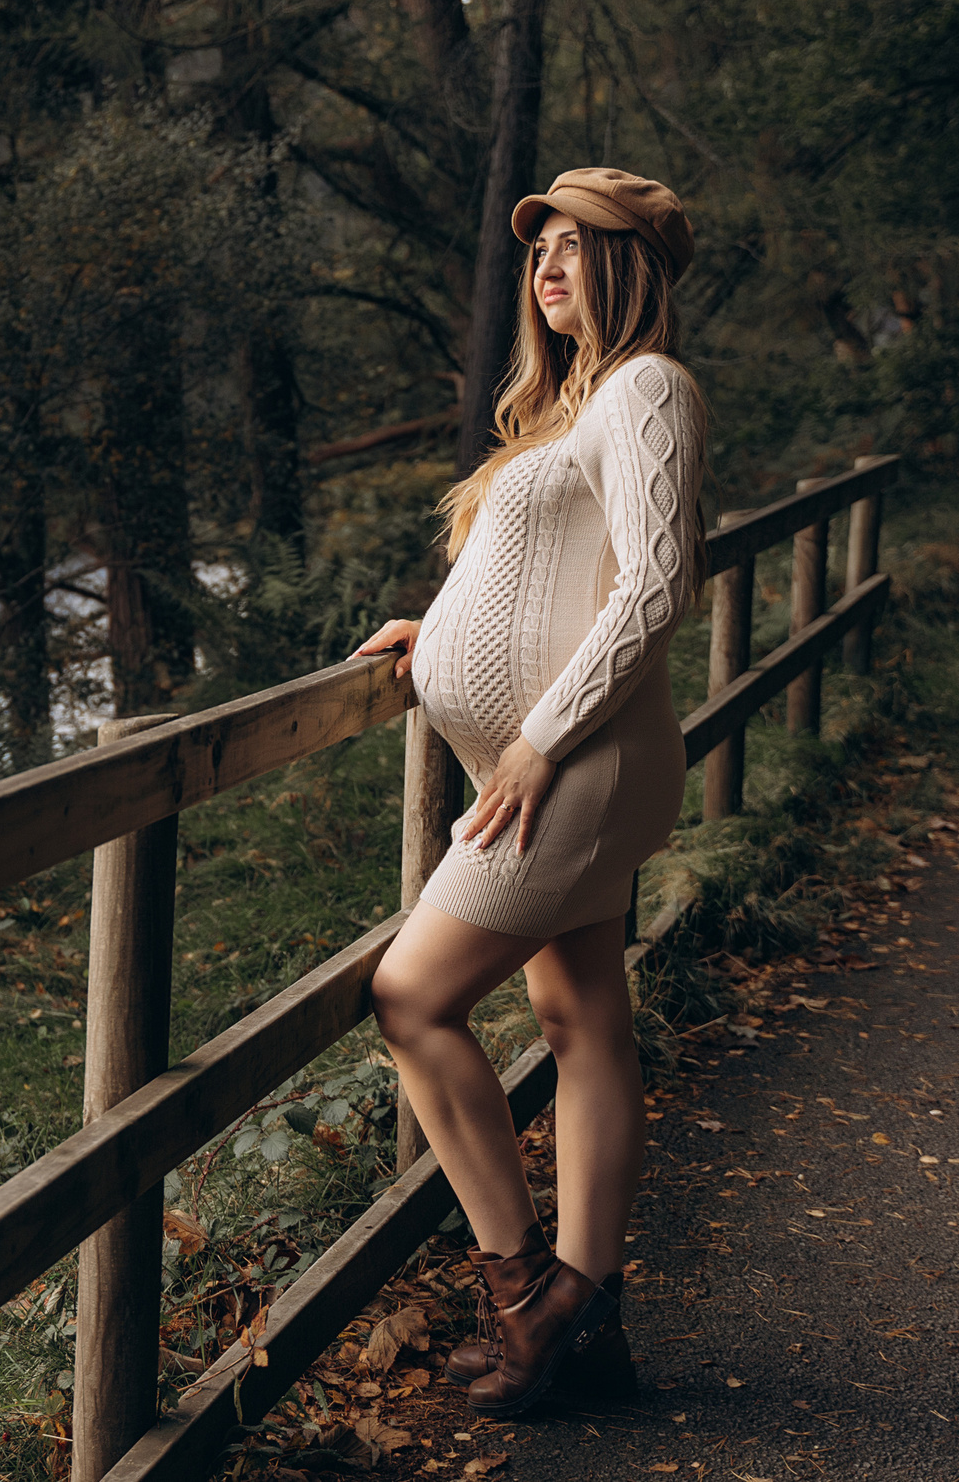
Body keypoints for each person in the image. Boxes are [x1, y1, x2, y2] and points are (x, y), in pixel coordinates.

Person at [350, 167, 711, 1416]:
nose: (548, 265)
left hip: (576, 765)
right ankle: (589, 1322)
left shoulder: (647, 387)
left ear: (626, 269)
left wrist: (540, 737)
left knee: (410, 996)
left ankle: (526, 1298)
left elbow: (655, 584)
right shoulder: (574, 407)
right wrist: (436, 626)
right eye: (540, 247)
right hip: (556, 761)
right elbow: (551, 563)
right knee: (579, 1019)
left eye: (576, 246)